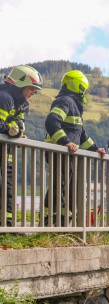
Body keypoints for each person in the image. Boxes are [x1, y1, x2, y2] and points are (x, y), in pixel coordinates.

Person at [44, 70, 106, 226]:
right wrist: (65, 141)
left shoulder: (75, 106)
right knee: (60, 185)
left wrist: (95, 149)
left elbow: (81, 134)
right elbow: (52, 121)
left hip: (68, 153)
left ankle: (63, 222)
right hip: (59, 152)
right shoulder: (65, 101)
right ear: (79, 87)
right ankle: (48, 221)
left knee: (70, 187)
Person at [0, 65, 43, 227]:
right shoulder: (4, 98)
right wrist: (11, 131)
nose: (33, 93)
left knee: (8, 189)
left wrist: (17, 133)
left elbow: (19, 126)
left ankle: (8, 226)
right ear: (20, 83)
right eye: (31, 88)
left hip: (6, 154)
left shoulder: (23, 104)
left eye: (35, 90)